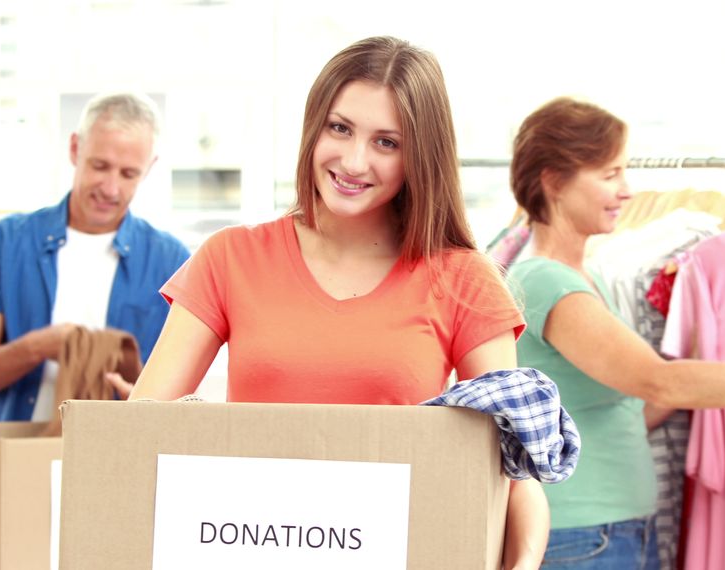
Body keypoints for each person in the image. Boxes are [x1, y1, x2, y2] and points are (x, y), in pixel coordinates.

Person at [127, 36, 550, 569]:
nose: (354, 160)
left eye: (387, 143)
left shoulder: (463, 278)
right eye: (340, 128)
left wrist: (524, 563)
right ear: (314, 128)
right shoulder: (229, 258)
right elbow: (137, 433)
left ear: (420, 156)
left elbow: (513, 476)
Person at [506, 97, 725, 568]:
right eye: (610, 174)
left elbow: (633, 411)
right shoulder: (548, 282)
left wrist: (700, 347)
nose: (627, 190)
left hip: (614, 529)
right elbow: (657, 382)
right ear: (554, 180)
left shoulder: (583, 276)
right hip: (585, 537)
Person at [0, 91, 189, 422]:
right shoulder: (8, 241)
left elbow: (180, 399)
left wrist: (145, 403)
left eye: (128, 174)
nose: (110, 188)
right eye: (100, 166)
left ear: (149, 168)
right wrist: (40, 347)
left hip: (115, 457)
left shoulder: (171, 262)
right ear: (74, 149)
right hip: (14, 456)